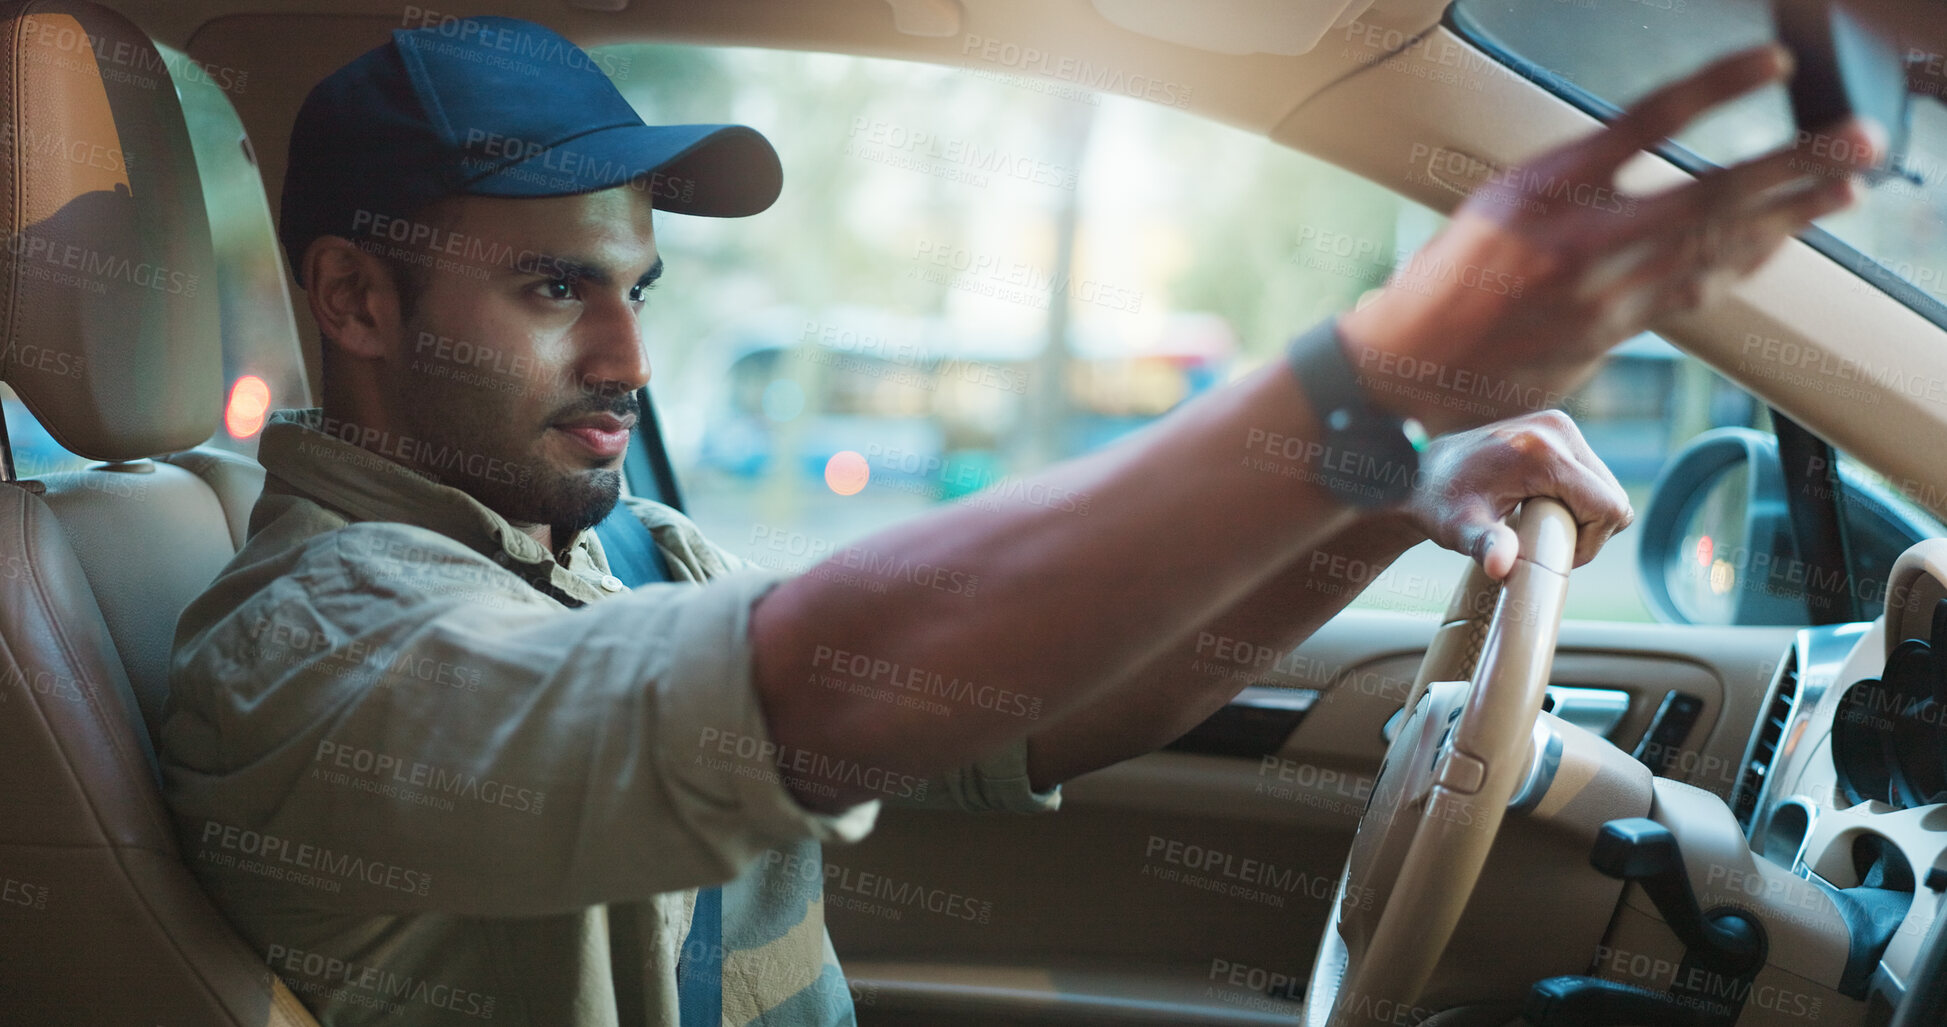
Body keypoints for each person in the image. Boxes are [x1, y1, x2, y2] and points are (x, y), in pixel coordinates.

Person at [158, 14, 1877, 1027]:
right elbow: (841, 681)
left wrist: (1382, 502)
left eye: (635, 290)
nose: (625, 354)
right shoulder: (319, 647)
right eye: (554, 290)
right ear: (355, 305)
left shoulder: (595, 556)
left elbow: (1012, 705)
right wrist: (1373, 372)